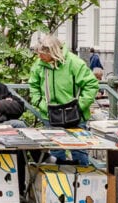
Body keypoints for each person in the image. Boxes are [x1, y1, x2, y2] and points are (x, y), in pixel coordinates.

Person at [27, 33, 100, 165]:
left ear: (52, 52)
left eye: (41, 54)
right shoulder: (40, 64)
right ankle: (58, 182)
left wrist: (79, 106)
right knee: (56, 151)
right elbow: (33, 84)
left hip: (74, 115)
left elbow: (91, 84)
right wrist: (39, 103)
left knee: (79, 151)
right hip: (50, 114)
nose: (39, 57)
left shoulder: (74, 62)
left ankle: (83, 181)